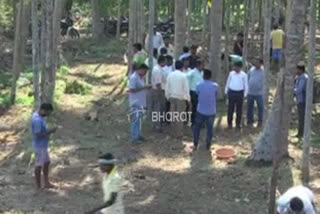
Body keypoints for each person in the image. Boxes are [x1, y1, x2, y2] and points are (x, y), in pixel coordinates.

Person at [31, 103, 57, 189]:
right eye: (48, 112)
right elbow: (38, 134)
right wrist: (50, 131)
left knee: (47, 162)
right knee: (39, 165)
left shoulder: (38, 116)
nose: (48, 114)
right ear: (43, 110)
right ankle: (38, 186)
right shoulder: (37, 120)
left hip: (42, 145)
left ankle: (46, 182)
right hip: (39, 146)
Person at [193, 69, 219, 151]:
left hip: (200, 110)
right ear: (210, 76)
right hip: (211, 111)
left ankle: (195, 143)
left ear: (203, 76)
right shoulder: (215, 86)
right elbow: (216, 94)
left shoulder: (199, 85)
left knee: (197, 127)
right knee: (210, 128)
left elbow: (197, 93)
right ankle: (208, 144)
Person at [165, 61, 190, 138]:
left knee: (173, 115)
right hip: (180, 98)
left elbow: (167, 87)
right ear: (182, 67)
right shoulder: (183, 76)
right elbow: (186, 89)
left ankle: (173, 132)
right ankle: (179, 133)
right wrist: (188, 99)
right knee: (180, 116)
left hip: (172, 97)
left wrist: (167, 96)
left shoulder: (170, 75)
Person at [128, 64, 151, 144]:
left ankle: (138, 135)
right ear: (140, 69)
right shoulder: (134, 78)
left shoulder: (141, 78)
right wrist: (144, 87)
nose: (145, 73)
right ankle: (134, 137)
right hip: (135, 102)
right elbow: (131, 90)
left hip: (141, 102)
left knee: (139, 120)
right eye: (145, 71)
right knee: (135, 120)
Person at [225, 61, 248, 129]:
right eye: (234, 66)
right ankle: (229, 124)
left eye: (236, 67)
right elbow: (227, 83)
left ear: (240, 67)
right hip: (232, 92)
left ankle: (238, 124)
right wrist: (226, 92)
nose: (234, 68)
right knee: (230, 109)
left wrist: (245, 95)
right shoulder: (231, 74)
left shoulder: (244, 75)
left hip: (240, 93)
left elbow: (246, 85)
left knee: (239, 109)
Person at [247, 58, 265, 127]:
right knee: (249, 107)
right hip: (250, 92)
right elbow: (247, 77)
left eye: (257, 62)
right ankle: (250, 120)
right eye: (255, 62)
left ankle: (260, 120)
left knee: (260, 107)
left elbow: (265, 82)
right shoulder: (251, 70)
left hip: (259, 93)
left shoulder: (263, 71)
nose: (256, 64)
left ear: (261, 63)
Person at [151, 55, 167, 131]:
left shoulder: (159, 69)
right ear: (162, 61)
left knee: (159, 108)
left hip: (159, 90)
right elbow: (158, 84)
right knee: (158, 108)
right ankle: (157, 125)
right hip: (158, 91)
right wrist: (160, 93)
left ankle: (157, 124)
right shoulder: (157, 70)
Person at [187, 60, 204, 125]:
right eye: (202, 65)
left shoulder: (202, 72)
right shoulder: (192, 72)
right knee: (194, 107)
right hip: (194, 92)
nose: (203, 66)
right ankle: (193, 121)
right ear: (198, 65)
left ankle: (200, 121)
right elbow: (187, 80)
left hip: (201, 92)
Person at [294, 64, 308, 138]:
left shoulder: (303, 78)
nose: (296, 71)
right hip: (299, 100)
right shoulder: (298, 77)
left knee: (302, 117)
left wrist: (291, 91)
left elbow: (299, 90)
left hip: (303, 100)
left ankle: (301, 133)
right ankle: (300, 132)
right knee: (300, 117)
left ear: (300, 70)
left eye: (297, 69)